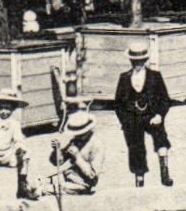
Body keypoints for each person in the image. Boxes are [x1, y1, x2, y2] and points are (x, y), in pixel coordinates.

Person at [113, 44, 172, 188]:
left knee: (161, 139)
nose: (137, 64)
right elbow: (118, 104)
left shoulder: (155, 76)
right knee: (135, 146)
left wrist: (159, 115)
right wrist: (125, 120)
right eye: (134, 61)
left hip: (152, 115)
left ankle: (164, 173)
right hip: (132, 118)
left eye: (140, 61)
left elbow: (165, 99)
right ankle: (139, 178)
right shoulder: (124, 78)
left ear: (145, 60)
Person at [52, 112, 104, 194]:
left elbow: (92, 175)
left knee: (48, 188)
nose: (77, 137)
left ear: (87, 131)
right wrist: (57, 150)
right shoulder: (76, 141)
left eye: (80, 134)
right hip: (68, 177)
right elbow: (59, 162)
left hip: (82, 184)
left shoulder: (96, 145)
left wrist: (77, 157)